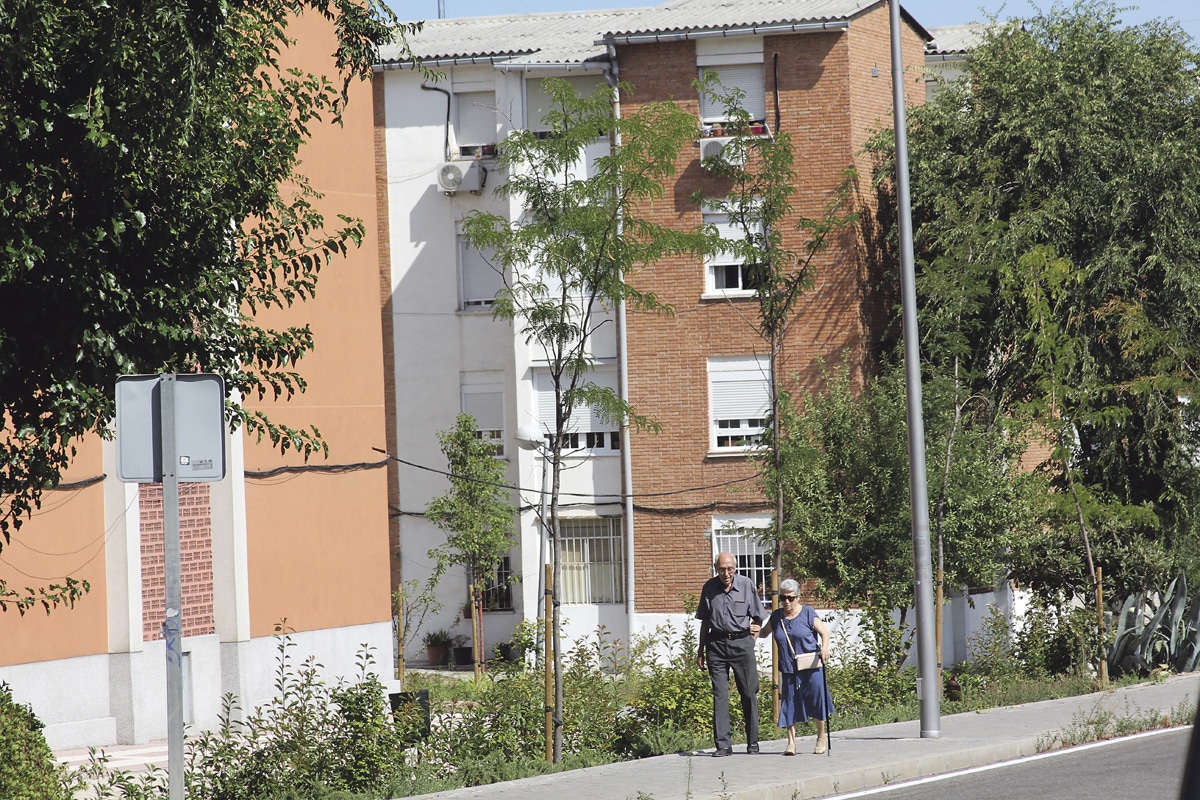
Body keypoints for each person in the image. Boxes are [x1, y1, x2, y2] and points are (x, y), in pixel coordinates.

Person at [696, 552, 766, 756]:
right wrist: (700, 650)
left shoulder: (746, 585)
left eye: (730, 569)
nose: (726, 573)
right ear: (716, 568)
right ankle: (723, 745)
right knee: (720, 695)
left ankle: (752, 742)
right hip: (716, 644)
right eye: (722, 569)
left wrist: (751, 639)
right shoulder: (709, 588)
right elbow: (705, 621)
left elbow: (759, 616)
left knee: (749, 693)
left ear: (735, 568)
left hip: (741, 644)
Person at [757, 578, 833, 755]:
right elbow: (763, 633)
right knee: (789, 703)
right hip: (788, 668)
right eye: (783, 598)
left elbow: (824, 633)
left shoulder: (807, 613)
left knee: (816, 700)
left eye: (791, 598)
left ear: (798, 597)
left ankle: (821, 736)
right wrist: (749, 629)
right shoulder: (776, 616)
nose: (787, 602)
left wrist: (824, 648)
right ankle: (791, 743)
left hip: (811, 665)